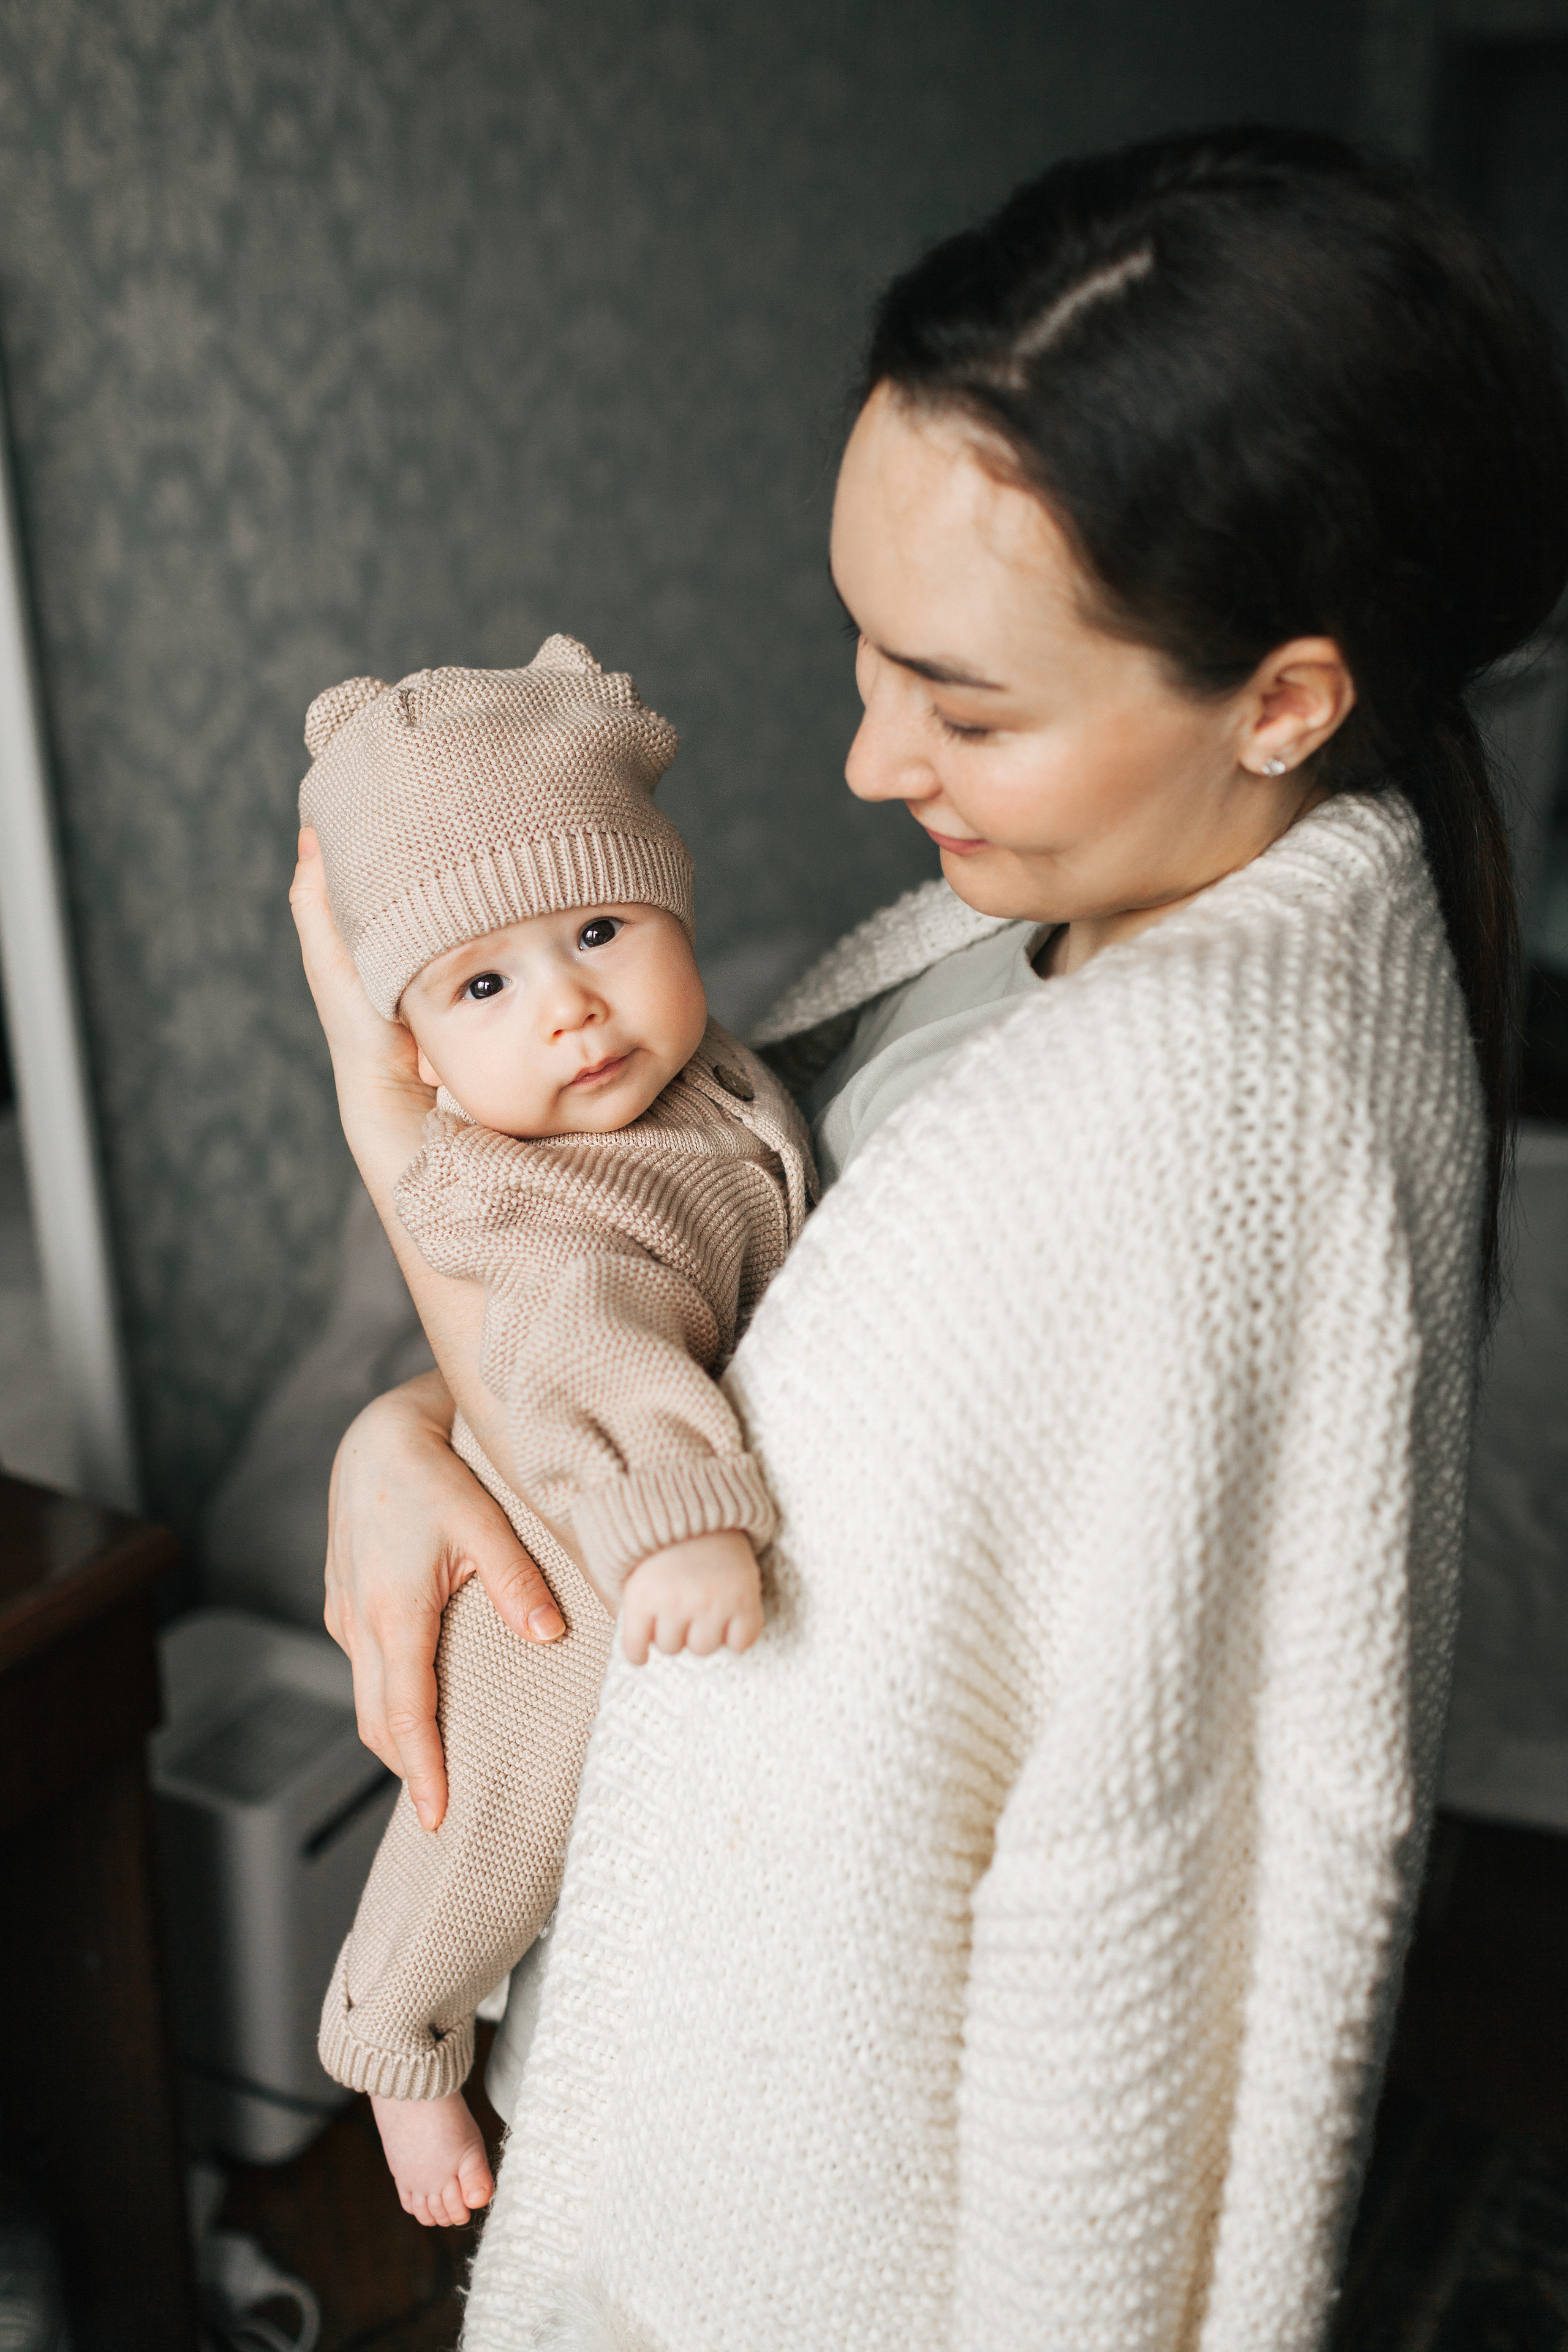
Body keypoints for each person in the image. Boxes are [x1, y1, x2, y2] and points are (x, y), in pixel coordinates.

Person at [290, 127, 1568, 2349]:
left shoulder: (1169, 1154)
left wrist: (390, 1145)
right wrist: (422, 1413)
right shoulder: (1067, 937)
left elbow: (1052, 1907)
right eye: (866, 655)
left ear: (1287, 696)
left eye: (965, 703)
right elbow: (704, 1290)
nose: (873, 759)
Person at [297, 638, 812, 2228]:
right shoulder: (523, 1189)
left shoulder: (687, 1090)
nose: (574, 1007)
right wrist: (683, 1516)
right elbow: (589, 1351)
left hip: (561, 1492)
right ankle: (391, 2036)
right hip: (564, 1567)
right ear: (419, 1056)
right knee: (490, 1824)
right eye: (486, 985)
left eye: (601, 930)